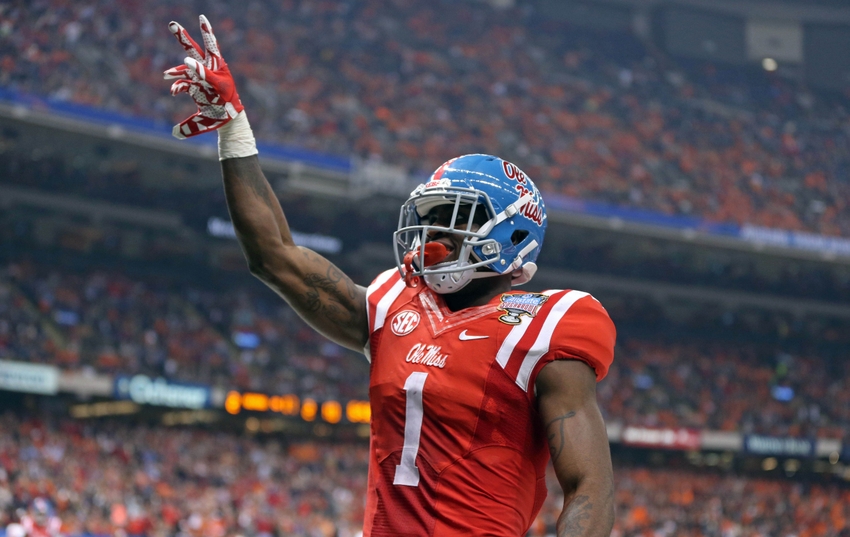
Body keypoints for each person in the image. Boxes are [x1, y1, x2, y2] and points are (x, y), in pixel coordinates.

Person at [164, 16, 617, 536]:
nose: (431, 234)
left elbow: (589, 489)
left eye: (455, 216)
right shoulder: (392, 304)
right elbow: (273, 256)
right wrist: (233, 126)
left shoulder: (544, 327)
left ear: (511, 236)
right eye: (426, 218)